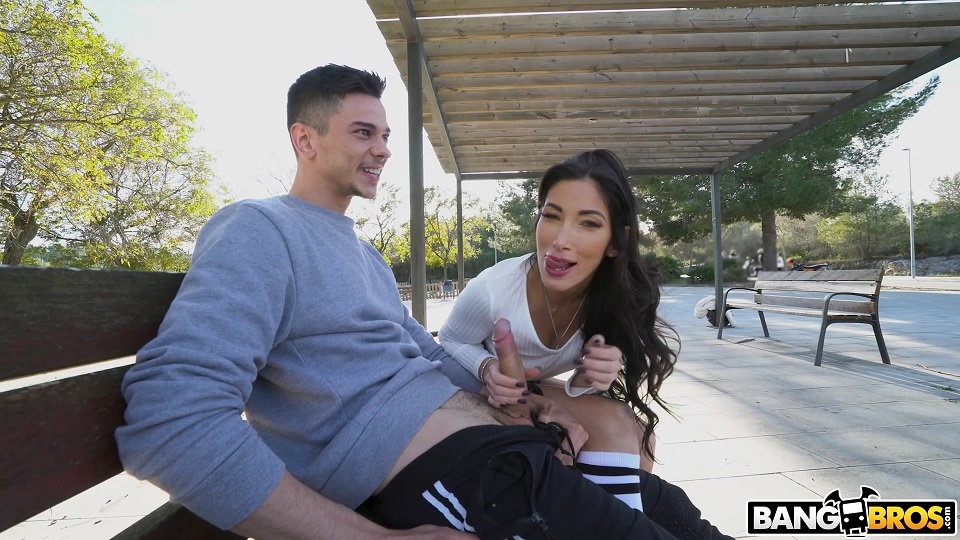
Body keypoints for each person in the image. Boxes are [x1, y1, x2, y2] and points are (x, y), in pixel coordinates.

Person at [115, 64, 731, 539]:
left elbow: (431, 356)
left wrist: (524, 402)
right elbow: (170, 421)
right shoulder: (259, 229)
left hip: (505, 453)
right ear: (304, 139)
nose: (383, 149)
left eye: (385, 135)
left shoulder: (364, 255)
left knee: (681, 519)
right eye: (363, 133)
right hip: (461, 480)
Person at [438, 149, 675, 511]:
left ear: (615, 243)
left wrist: (592, 374)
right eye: (551, 216)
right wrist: (487, 368)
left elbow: (576, 387)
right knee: (619, 425)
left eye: (588, 223)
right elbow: (450, 340)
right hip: (470, 388)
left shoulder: (615, 299)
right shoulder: (494, 288)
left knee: (644, 440)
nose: (561, 239)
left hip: (531, 389)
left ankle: (609, 521)